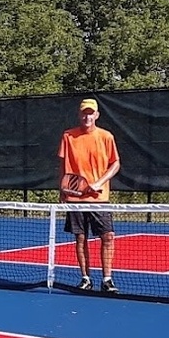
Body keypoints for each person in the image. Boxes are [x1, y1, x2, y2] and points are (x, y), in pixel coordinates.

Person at [58, 97, 121, 293]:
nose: (87, 116)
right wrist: (63, 187)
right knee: (80, 238)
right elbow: (62, 165)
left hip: (99, 199)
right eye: (84, 112)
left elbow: (115, 164)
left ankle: (107, 279)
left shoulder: (106, 137)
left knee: (108, 236)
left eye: (90, 112)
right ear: (79, 114)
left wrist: (98, 183)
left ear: (97, 115)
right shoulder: (68, 136)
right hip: (75, 197)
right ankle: (85, 278)